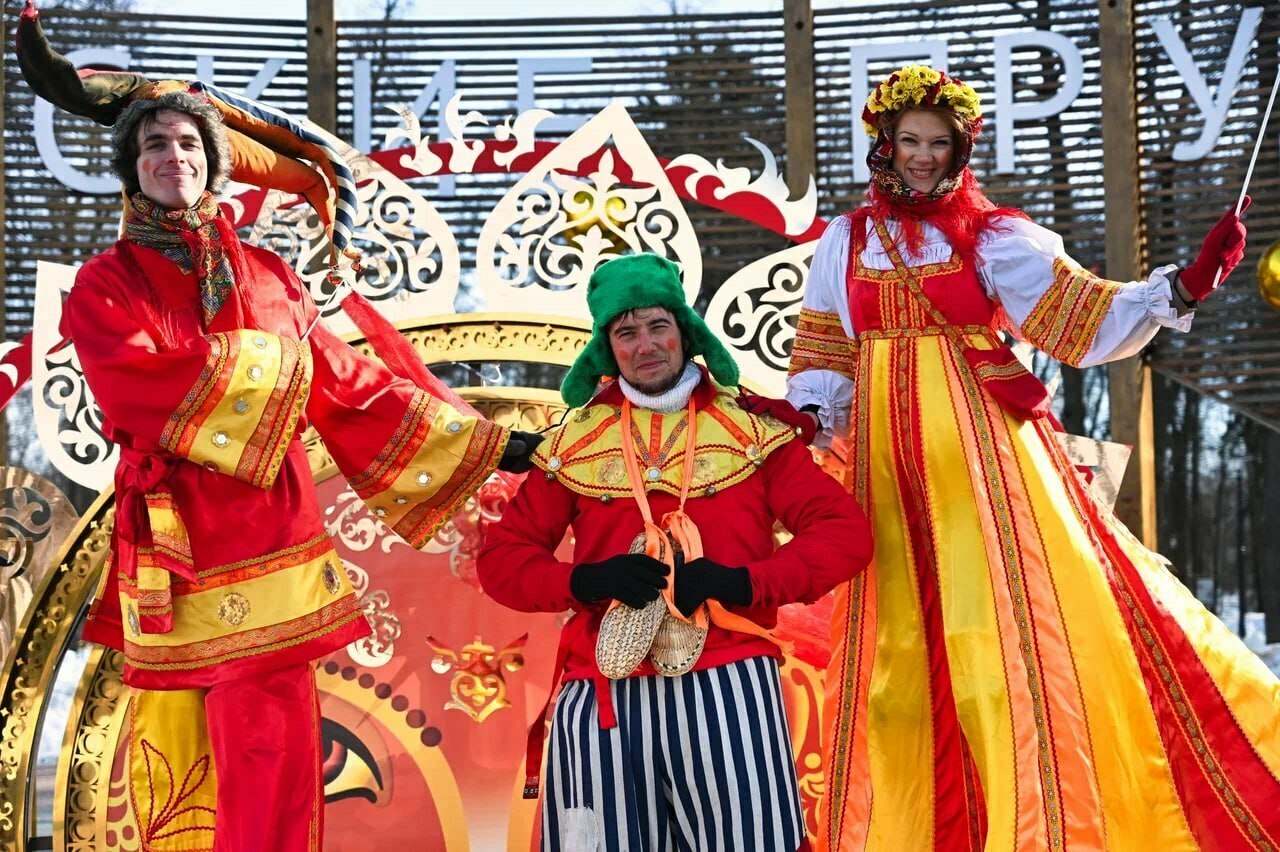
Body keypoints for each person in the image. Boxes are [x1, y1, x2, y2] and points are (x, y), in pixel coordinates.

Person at [786, 63, 1280, 851]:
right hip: (887, 475)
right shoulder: (845, 241)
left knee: (1012, 648)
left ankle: (1037, 826)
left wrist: (1181, 289)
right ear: (884, 143)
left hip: (986, 472)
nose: (920, 156)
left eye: (936, 143)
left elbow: (1081, 317)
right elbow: (823, 356)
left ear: (958, 150)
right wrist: (808, 418)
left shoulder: (992, 238)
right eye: (908, 140)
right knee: (892, 670)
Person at [65, 91, 538, 852]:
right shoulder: (106, 283)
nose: (173, 156)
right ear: (131, 169)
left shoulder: (267, 276)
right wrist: (277, 363)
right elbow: (133, 384)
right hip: (176, 547)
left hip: (274, 546)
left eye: (189, 142)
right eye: (154, 144)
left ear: (214, 163)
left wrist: (486, 443)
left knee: (275, 758)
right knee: (176, 765)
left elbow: (346, 386)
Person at [478, 254, 872, 851]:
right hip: (602, 690)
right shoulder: (572, 443)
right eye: (625, 332)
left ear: (684, 330)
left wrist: (745, 583)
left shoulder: (755, 432)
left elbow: (845, 535)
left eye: (657, 325)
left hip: (731, 680)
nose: (645, 345)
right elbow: (502, 559)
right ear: (607, 348)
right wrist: (583, 583)